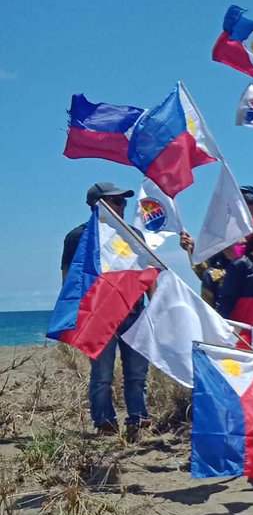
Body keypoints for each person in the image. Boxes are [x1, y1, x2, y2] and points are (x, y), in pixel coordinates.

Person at [63, 182, 151, 437]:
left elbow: (146, 273)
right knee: (102, 374)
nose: (122, 206)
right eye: (117, 201)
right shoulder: (77, 237)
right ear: (97, 205)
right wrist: (75, 317)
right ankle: (104, 422)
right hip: (97, 317)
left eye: (124, 202)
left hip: (133, 313)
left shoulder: (134, 234)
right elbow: (69, 278)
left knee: (137, 373)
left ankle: (138, 419)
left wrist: (152, 307)